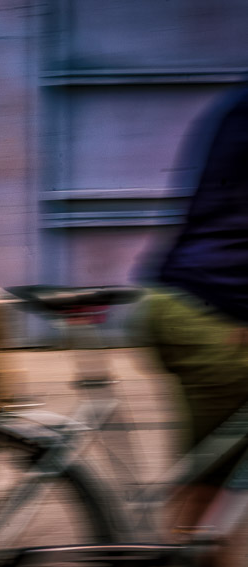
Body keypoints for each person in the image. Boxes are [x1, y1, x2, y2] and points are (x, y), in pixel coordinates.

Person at [143, 87, 248, 566]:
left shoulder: (237, 104)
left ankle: (197, 544)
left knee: (208, 470)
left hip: (178, 298)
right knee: (207, 483)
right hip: (214, 312)